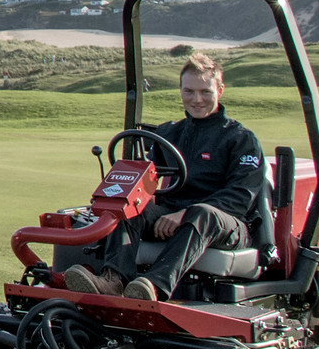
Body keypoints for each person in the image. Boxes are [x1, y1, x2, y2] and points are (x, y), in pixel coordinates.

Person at [62, 52, 265, 301]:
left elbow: (241, 197)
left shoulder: (240, 139)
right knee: (127, 205)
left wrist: (183, 215)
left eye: (205, 92)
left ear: (220, 90)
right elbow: (147, 181)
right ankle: (114, 280)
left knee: (202, 213)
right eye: (189, 91)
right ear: (180, 90)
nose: (197, 99)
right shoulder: (169, 133)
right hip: (174, 215)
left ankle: (154, 286)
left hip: (226, 224)